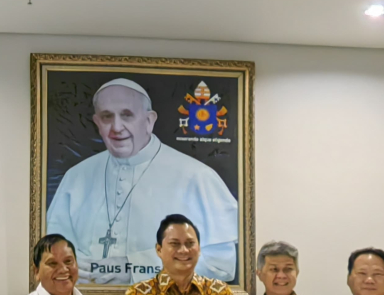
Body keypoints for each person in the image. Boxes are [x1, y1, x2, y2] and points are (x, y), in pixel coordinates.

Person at [45, 79, 239, 284]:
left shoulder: (197, 177)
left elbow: (221, 266)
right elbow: (50, 254)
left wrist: (136, 268)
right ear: (97, 122)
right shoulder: (76, 177)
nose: (116, 127)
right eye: (107, 117)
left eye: (127, 115)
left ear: (149, 121)